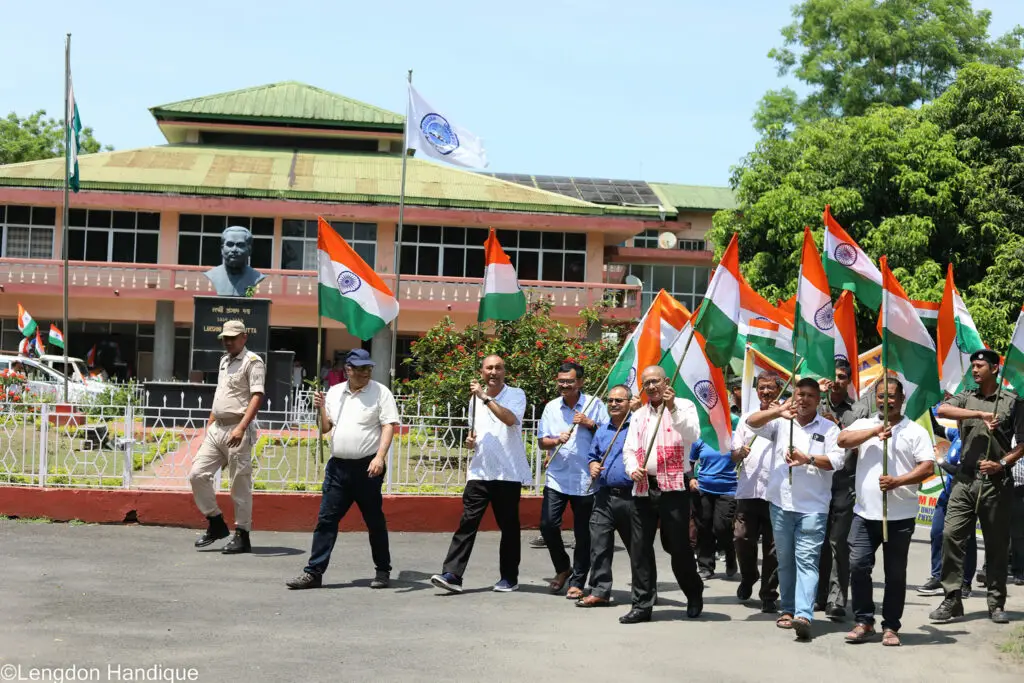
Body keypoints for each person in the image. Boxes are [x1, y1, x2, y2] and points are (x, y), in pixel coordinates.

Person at [285, 349, 400, 590]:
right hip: (338, 468)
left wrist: (380, 457)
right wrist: (320, 408)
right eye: (359, 369)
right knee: (326, 520)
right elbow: (326, 428)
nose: (365, 373)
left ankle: (382, 570)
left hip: (367, 467)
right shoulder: (335, 393)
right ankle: (314, 572)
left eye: (368, 368)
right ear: (348, 369)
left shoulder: (381, 392)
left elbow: (389, 426)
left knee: (374, 521)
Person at [930, 349, 1024, 625]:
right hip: (965, 479)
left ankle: (996, 602)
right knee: (951, 535)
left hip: (995, 482)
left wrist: (1002, 464)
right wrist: (979, 414)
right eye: (973, 365)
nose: (975, 370)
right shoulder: (967, 395)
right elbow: (942, 409)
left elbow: (1022, 444)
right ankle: (952, 598)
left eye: (980, 365)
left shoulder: (1012, 401)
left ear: (995, 369)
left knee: (996, 545)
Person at [747, 378, 844, 641]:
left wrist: (808, 458)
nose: (804, 399)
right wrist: (777, 411)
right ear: (793, 396)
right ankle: (787, 609)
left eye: (810, 395)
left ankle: (804, 614)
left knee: (807, 561)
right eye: (800, 394)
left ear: (818, 399)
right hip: (780, 504)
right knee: (785, 561)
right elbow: (751, 423)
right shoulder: (781, 423)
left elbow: (837, 460)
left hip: (813, 507)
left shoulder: (828, 428)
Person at [839, 379, 935, 646]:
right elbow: (842, 439)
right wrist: (873, 433)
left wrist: (898, 481)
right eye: (881, 396)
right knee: (858, 566)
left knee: (895, 574)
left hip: (900, 516)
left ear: (902, 398)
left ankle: (891, 626)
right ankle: (864, 621)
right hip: (864, 514)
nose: (886, 401)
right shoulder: (864, 424)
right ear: (875, 399)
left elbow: (927, 467)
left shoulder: (915, 431)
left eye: (891, 396)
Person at [431, 355, 531, 593]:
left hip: (507, 473)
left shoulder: (516, 395)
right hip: (479, 472)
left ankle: (509, 578)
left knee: (508, 527)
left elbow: (509, 420)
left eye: (498, 368)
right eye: (489, 368)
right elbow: (475, 433)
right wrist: (469, 442)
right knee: (467, 523)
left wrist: (484, 397)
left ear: (504, 371)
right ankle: (452, 574)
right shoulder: (474, 400)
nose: (493, 372)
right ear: (482, 371)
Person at [619, 365, 704, 624]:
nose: (652, 387)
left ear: (666, 382)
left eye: (656, 382)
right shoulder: (639, 414)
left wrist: (672, 408)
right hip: (645, 487)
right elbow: (630, 449)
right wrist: (632, 468)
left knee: (676, 546)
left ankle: (693, 593)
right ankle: (642, 605)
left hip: (675, 487)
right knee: (640, 547)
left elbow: (692, 434)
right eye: (647, 384)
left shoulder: (685, 406)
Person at [188, 320, 265, 554]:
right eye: (225, 338)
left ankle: (242, 534)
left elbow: (257, 396)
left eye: (232, 337)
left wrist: (241, 427)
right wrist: (209, 425)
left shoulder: (253, 362)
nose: (228, 341)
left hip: (237, 429)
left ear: (244, 337)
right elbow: (220, 394)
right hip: (217, 429)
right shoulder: (224, 361)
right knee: (197, 475)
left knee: (238, 484)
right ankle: (216, 522)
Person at [537, 362, 608, 599]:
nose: (564, 385)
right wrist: (556, 440)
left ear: (580, 382)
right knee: (547, 525)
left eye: (569, 381)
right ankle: (562, 568)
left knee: (583, 534)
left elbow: (610, 435)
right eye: (561, 381)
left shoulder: (594, 404)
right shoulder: (551, 408)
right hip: (557, 477)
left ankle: (578, 580)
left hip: (586, 480)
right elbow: (541, 441)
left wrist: (590, 423)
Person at [815, 359, 868, 620]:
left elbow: (861, 441)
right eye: (832, 376)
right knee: (817, 542)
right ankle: (818, 595)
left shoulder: (858, 411)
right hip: (815, 485)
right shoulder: (815, 403)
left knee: (839, 544)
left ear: (848, 381)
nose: (836, 382)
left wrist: (835, 425)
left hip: (845, 485)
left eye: (841, 377)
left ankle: (837, 599)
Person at [576, 384, 634, 608]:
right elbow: (593, 455)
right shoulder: (602, 430)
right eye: (610, 400)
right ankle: (600, 590)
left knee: (637, 548)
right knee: (599, 544)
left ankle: (644, 590)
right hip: (604, 496)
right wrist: (592, 465)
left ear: (630, 402)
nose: (613, 404)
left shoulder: (638, 427)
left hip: (632, 497)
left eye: (619, 400)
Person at [732, 372, 783, 613]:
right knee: (742, 538)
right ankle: (749, 575)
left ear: (778, 389)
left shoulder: (787, 417)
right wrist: (738, 453)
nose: (765, 392)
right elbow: (732, 454)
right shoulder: (746, 418)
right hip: (748, 490)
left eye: (770, 388)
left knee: (774, 548)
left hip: (776, 493)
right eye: (761, 388)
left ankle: (769, 594)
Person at [918, 407, 977, 598]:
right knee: (937, 533)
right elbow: (935, 427)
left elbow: (962, 471)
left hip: (966, 496)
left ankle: (965, 583)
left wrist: (941, 461)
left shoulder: (975, 442)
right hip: (947, 495)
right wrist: (925, 403)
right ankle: (937, 576)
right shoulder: (955, 434)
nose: (957, 422)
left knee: (966, 540)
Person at [690, 438, 737, 581]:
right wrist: (691, 478)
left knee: (722, 527)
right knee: (704, 528)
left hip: (728, 489)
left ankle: (730, 555)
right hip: (703, 489)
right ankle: (705, 567)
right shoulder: (701, 439)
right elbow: (689, 462)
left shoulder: (735, 438)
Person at [202, 225, 267, 296]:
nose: (234, 250)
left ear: (250, 250)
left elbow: (251, 299)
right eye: (230, 244)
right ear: (222, 249)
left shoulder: (255, 278)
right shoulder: (212, 275)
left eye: (240, 245)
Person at [1010, 458, 1024, 585]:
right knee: (996, 533)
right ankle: (989, 569)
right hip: (1004, 489)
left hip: (1021, 491)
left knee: (1018, 536)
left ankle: (1018, 571)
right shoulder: (1007, 439)